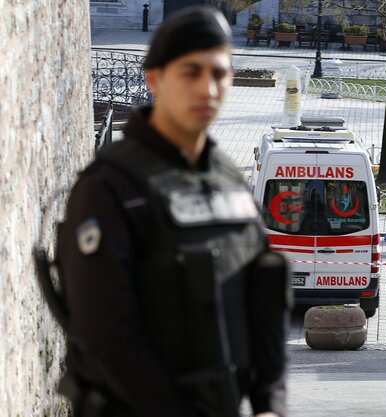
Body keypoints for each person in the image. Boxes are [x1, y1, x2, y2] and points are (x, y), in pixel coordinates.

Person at [54, 7, 289, 417]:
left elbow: (265, 298)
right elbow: (108, 340)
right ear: (155, 79)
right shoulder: (108, 189)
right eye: (190, 72)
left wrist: (270, 404)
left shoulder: (230, 182)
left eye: (218, 74)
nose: (207, 88)